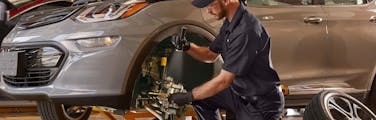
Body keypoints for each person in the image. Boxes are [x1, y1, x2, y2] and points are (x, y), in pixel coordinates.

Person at [169, 0, 284, 119]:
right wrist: (187, 46)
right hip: (239, 94)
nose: (208, 10)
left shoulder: (246, 30)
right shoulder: (230, 23)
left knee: (197, 95)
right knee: (202, 98)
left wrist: (189, 96)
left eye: (210, 5)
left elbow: (224, 81)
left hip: (261, 105)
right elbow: (210, 55)